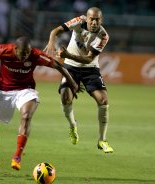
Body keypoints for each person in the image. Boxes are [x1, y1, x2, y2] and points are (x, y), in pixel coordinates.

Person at [0, 36, 79, 175]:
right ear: (15, 49)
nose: (25, 56)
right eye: (22, 53)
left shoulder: (35, 55)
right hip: (3, 91)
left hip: (25, 90)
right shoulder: (4, 50)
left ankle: (17, 156)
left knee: (26, 115)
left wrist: (73, 84)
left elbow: (59, 66)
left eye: (27, 53)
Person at [43, 7, 114, 153]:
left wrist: (68, 55)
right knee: (65, 97)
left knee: (103, 100)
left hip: (90, 69)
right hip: (70, 68)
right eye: (91, 19)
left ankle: (102, 140)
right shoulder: (78, 21)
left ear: (101, 20)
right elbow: (55, 30)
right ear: (86, 18)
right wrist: (51, 42)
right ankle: (72, 124)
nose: (94, 22)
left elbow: (88, 59)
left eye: (97, 19)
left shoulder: (103, 36)